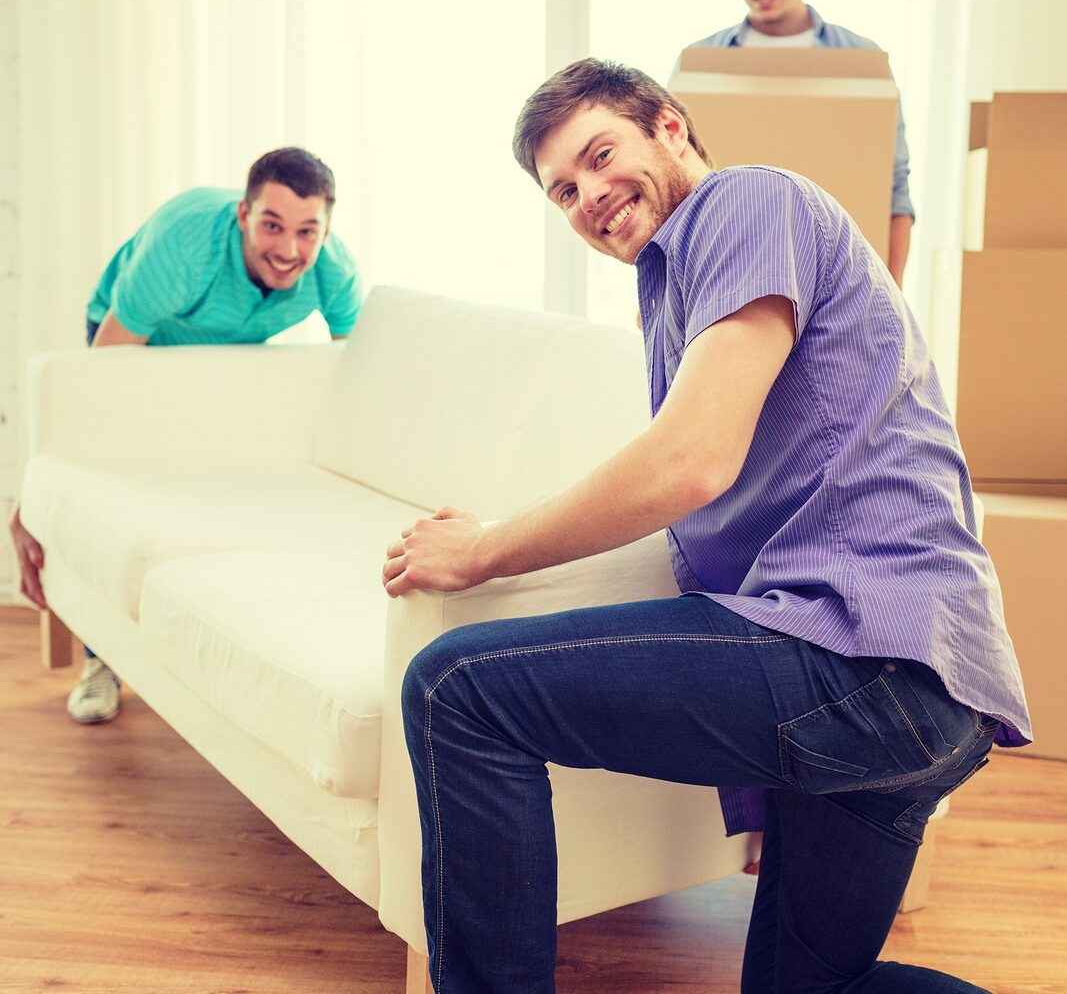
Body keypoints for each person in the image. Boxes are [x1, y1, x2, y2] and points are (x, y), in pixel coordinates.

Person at [382, 59, 1031, 993]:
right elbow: (734, 526)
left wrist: (483, 549)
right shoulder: (678, 292)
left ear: (670, 127)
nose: (590, 195)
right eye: (564, 191)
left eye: (601, 155)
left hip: (867, 657)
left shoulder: (743, 204)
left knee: (458, 689)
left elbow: (689, 465)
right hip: (915, 692)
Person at [9, 146, 361, 725]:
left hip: (229, 351)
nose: (289, 250)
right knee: (117, 485)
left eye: (307, 231)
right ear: (243, 215)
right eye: (272, 225)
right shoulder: (183, 247)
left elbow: (356, 379)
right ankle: (102, 659)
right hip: (133, 346)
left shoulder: (334, 271)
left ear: (326, 230)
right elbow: (97, 386)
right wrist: (39, 491)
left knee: (210, 487)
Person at [680, 0, 916, 286]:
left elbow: (895, 186)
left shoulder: (861, 58)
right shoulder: (700, 60)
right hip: (729, 274)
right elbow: (673, 185)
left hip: (840, 281)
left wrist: (893, 290)